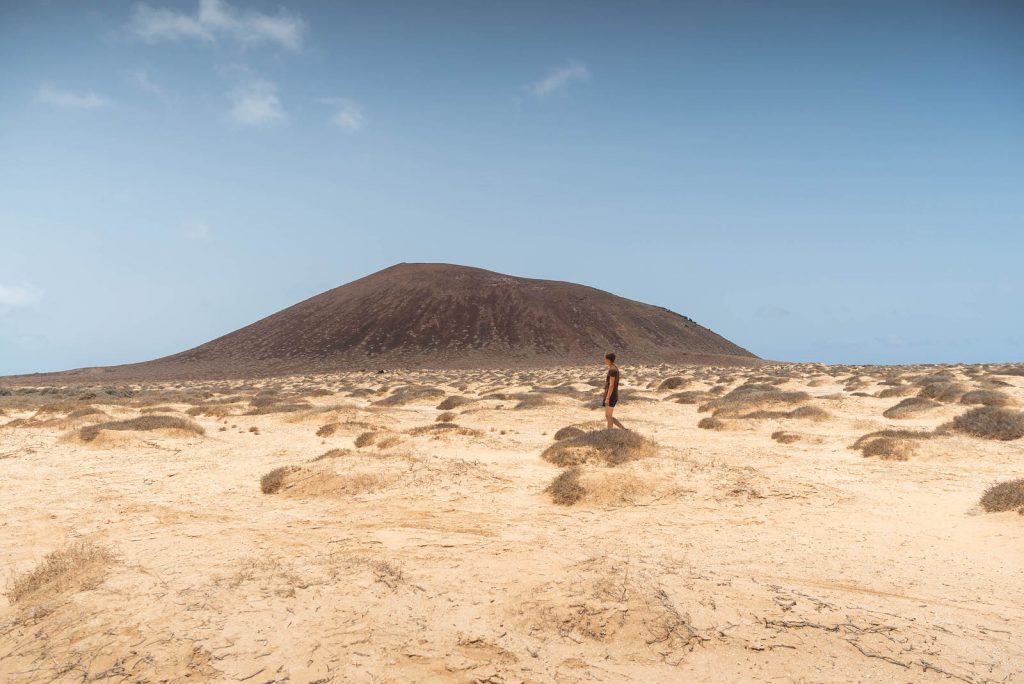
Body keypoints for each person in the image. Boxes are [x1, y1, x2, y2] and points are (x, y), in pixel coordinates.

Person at [602, 352, 625, 430]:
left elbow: (611, 385)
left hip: (611, 395)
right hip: (613, 395)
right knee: (609, 416)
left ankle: (610, 432)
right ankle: (624, 429)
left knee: (608, 416)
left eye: (605, 359)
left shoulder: (612, 369)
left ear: (608, 360)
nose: (604, 360)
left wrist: (607, 398)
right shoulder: (615, 368)